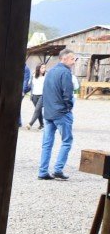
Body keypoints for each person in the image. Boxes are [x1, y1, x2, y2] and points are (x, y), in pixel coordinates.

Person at [38, 48, 77, 181]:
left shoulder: (50, 72)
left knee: (47, 144)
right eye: (72, 59)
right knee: (67, 141)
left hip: (48, 113)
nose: (74, 62)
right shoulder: (65, 73)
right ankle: (58, 169)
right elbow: (68, 93)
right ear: (64, 59)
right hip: (61, 113)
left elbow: (45, 92)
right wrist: (68, 108)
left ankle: (42, 172)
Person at [25, 64, 46, 130]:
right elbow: (30, 85)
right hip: (34, 96)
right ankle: (42, 125)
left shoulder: (46, 76)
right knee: (38, 111)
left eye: (44, 68)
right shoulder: (33, 76)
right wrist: (25, 91)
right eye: (42, 68)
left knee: (37, 110)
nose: (44, 69)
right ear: (38, 69)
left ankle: (30, 124)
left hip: (42, 96)